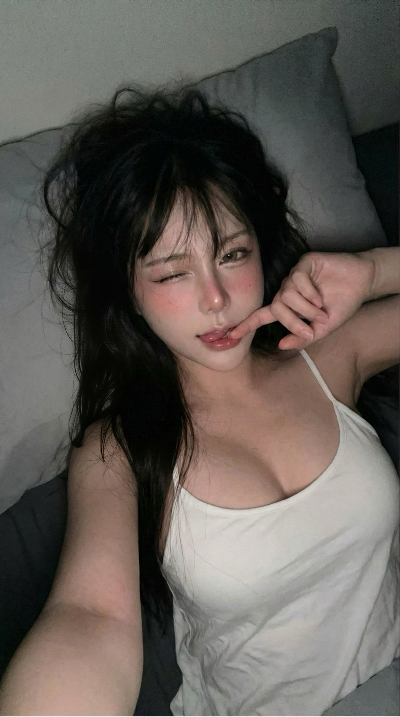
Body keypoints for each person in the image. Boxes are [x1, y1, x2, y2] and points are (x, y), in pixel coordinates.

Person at [0, 85, 398, 716]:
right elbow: (90, 616)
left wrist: (373, 270)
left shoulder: (331, 355)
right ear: (129, 294)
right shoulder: (118, 450)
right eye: (171, 272)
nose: (216, 298)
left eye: (232, 254)